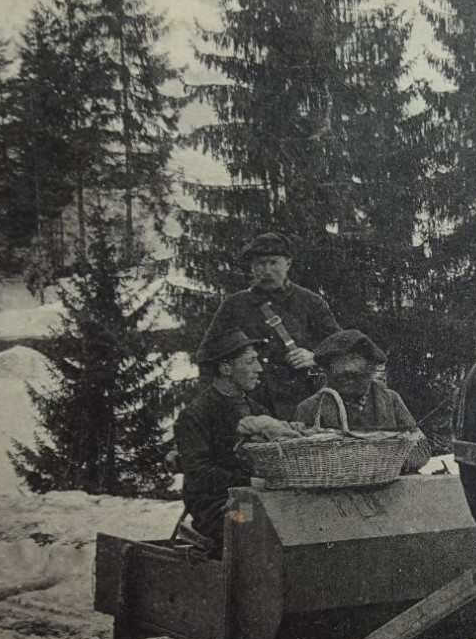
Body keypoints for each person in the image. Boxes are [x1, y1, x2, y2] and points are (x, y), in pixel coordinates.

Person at [199, 232, 341, 419]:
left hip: (302, 404)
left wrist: (315, 357)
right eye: (260, 264)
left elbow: (342, 345)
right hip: (249, 405)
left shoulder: (310, 302)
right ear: (252, 267)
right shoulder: (234, 305)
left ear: (287, 263)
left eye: (273, 262)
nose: (266, 270)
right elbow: (206, 355)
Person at [174, 327, 296, 545]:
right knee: (261, 526)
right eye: (250, 362)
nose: (259, 369)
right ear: (226, 368)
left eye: (257, 361)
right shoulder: (195, 415)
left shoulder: (257, 409)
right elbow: (199, 473)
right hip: (216, 510)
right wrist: (249, 482)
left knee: (300, 519)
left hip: (259, 498)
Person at [294, 329, 421, 435]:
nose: (348, 370)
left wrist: (398, 449)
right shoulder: (309, 408)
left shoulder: (391, 400)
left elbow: (421, 448)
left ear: (371, 368)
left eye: (355, 375)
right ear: (328, 372)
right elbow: (299, 455)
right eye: (342, 375)